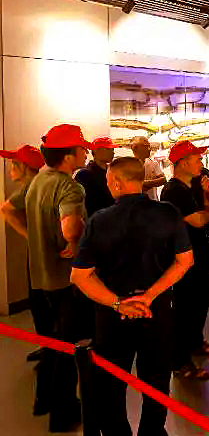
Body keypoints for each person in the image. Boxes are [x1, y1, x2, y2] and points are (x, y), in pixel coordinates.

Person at [70, 157, 194, 436]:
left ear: (116, 182)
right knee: (157, 381)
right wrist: (149, 296)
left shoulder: (99, 221)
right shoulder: (168, 213)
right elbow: (185, 261)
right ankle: (152, 432)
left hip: (113, 316)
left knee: (111, 383)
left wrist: (118, 303)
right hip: (156, 310)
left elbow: (80, 276)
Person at [22, 124, 90, 432]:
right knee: (67, 346)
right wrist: (75, 242)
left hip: (40, 275)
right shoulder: (69, 186)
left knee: (52, 340)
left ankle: (43, 399)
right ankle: (64, 413)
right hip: (65, 279)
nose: (86, 152)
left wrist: (36, 238)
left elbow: (9, 209)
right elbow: (70, 227)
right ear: (68, 155)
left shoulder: (39, 179)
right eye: (82, 148)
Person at [160, 140, 209, 381]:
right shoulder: (173, 191)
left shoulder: (193, 185)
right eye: (197, 159)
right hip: (182, 258)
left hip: (198, 253)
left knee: (200, 302)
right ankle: (179, 360)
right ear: (183, 163)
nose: (201, 162)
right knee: (185, 308)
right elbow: (198, 221)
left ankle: (196, 342)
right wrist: (207, 207)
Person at [0, 145, 50, 360]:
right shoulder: (39, 184)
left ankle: (51, 349)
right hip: (44, 250)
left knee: (41, 301)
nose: (11, 169)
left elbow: (6, 209)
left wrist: (29, 235)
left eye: (14, 164)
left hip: (42, 253)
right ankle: (50, 347)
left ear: (24, 167)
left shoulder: (31, 186)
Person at [74, 136, 117, 217]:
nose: (112, 153)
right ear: (96, 151)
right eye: (108, 149)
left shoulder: (113, 171)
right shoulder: (84, 175)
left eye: (113, 150)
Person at [131, 136, 166, 200]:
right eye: (145, 147)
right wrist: (153, 183)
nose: (149, 149)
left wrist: (144, 183)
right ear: (135, 148)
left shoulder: (153, 163)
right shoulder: (128, 165)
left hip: (153, 202)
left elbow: (163, 180)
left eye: (149, 146)